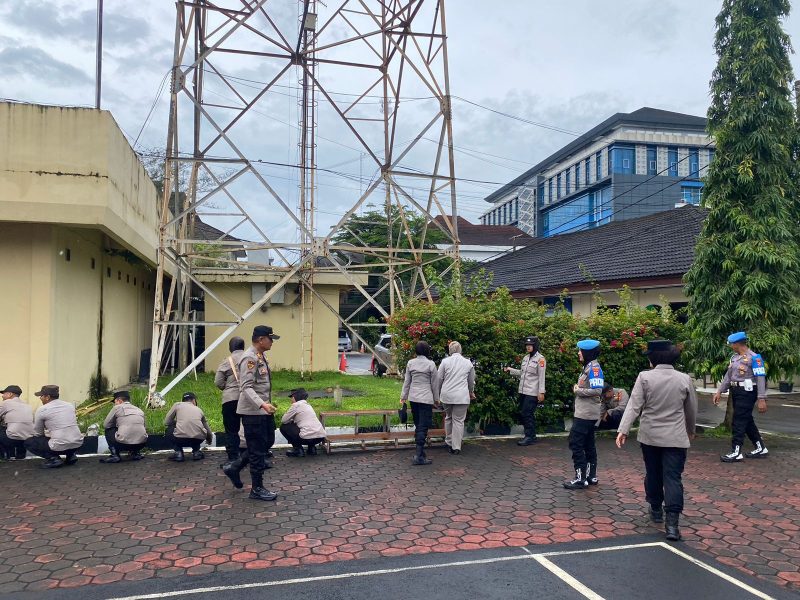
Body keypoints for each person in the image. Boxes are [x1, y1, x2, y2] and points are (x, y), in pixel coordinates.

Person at [616, 339, 697, 541]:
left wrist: (623, 430)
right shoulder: (684, 379)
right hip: (676, 437)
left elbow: (634, 405)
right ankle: (672, 525)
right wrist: (690, 430)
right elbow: (691, 409)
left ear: (653, 358)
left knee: (653, 473)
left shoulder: (644, 377)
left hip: (650, 436)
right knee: (673, 477)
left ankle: (655, 509)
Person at [225, 325, 280, 502]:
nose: (272, 342)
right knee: (257, 450)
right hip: (253, 412)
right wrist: (262, 404)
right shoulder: (249, 358)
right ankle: (257, 488)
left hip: (263, 410)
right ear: (261, 339)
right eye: (271, 339)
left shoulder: (260, 356)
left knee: (267, 441)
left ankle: (235, 467)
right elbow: (246, 387)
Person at [712, 332, 769, 462]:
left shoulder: (755, 358)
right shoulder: (735, 358)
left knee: (738, 421)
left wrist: (761, 398)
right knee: (746, 420)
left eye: (731, 344)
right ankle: (760, 447)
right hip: (736, 391)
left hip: (748, 392)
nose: (730, 346)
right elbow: (728, 376)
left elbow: (760, 378)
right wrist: (719, 391)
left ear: (737, 344)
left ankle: (736, 452)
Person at [563, 340, 604, 490]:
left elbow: (597, 390)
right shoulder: (589, 367)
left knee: (576, 443)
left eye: (581, 351)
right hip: (587, 414)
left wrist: (578, 390)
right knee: (588, 444)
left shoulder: (593, 368)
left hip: (585, 415)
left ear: (588, 352)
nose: (579, 353)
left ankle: (580, 479)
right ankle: (590, 476)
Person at [25, 385, 83, 468]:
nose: (40, 398)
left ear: (47, 397)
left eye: (41, 396)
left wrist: (48, 434)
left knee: (29, 442)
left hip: (59, 446)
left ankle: (54, 459)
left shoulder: (42, 409)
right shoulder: (69, 405)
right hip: (77, 444)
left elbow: (38, 433)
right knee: (65, 436)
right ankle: (70, 455)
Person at [401, 341, 440, 465]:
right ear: (427, 351)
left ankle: (421, 453)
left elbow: (407, 381)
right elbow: (434, 384)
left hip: (413, 398)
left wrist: (403, 397)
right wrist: (436, 399)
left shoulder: (410, 363)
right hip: (426, 398)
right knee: (423, 426)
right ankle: (418, 456)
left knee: (418, 424)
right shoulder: (431, 364)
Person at [504, 335, 546, 446]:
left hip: (532, 392)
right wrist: (510, 370)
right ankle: (531, 435)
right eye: (527, 345)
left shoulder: (540, 359)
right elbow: (522, 373)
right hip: (523, 391)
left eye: (530, 345)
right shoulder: (526, 358)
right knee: (525, 413)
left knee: (527, 413)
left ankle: (529, 437)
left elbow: (541, 376)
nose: (528, 347)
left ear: (535, 345)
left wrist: (541, 392)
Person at [437, 341, 475, 455]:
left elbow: (439, 379)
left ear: (450, 350)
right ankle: (456, 446)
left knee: (448, 417)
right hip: (462, 396)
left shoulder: (445, 362)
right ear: (460, 350)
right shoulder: (468, 363)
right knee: (458, 421)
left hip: (447, 395)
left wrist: (437, 393)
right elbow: (471, 381)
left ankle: (449, 442)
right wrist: (471, 392)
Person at [214, 336, 246, 463]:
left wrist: (226, 387)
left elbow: (218, 382)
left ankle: (233, 457)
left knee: (231, 430)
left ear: (230, 348)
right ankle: (252, 454)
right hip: (249, 399)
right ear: (243, 346)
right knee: (251, 428)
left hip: (230, 399)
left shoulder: (227, 361)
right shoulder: (251, 358)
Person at [99, 390, 148, 463]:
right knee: (138, 428)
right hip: (141, 444)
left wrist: (117, 426)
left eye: (115, 402)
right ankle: (136, 453)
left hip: (122, 444)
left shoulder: (117, 408)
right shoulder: (139, 410)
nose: (114, 404)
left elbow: (106, 425)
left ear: (119, 400)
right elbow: (145, 427)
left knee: (108, 429)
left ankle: (115, 455)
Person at [164, 392, 213, 462]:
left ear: (183, 400)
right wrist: (209, 440)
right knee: (197, 429)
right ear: (194, 400)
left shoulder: (177, 405)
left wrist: (177, 423)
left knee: (169, 429)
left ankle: (178, 453)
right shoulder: (199, 410)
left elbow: (167, 422)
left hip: (180, 439)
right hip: (197, 439)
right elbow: (208, 430)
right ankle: (196, 452)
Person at [279, 388, 327, 457]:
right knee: (308, 426)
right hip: (320, 437)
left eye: (291, 397)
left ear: (295, 397)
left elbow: (284, 420)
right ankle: (312, 449)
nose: (291, 399)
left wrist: (291, 420)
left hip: (306, 438)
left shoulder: (296, 405)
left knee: (283, 427)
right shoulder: (308, 405)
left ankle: (298, 450)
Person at [0, 385, 33, 460]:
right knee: (15, 428)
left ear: (10, 394)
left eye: (4, 394)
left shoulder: (6, 403)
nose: (2, 396)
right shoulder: (27, 405)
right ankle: (20, 456)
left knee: (5, 429)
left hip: (12, 438)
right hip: (27, 439)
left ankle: (3, 456)